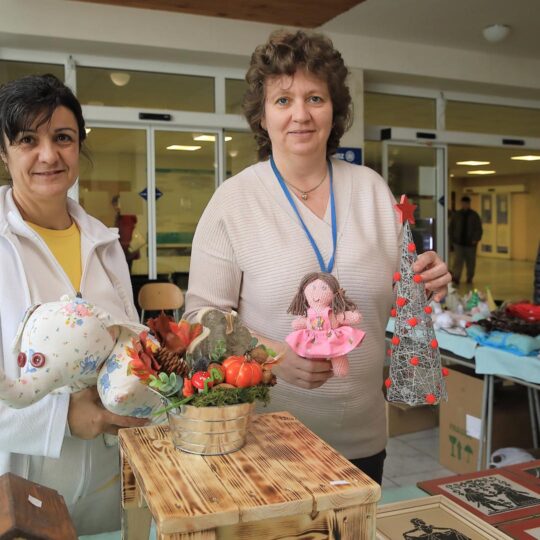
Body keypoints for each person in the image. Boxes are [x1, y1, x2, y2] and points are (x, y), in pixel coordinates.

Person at [184, 30, 451, 484]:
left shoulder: (371, 190)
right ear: (262, 115)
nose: (301, 115)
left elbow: (399, 295)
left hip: (362, 442)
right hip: (265, 441)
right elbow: (197, 322)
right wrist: (269, 355)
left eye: (315, 98)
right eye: (283, 101)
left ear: (335, 110)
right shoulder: (233, 202)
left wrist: (429, 281)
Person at [0, 74, 147, 535]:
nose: (49, 155)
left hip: (109, 480)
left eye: (62, 138)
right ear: (4, 153)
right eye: (28, 140)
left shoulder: (104, 244)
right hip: (24, 484)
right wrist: (61, 417)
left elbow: (128, 347)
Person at [449, 195, 483, 284]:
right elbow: (451, 228)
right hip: (458, 243)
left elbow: (478, 228)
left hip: (470, 244)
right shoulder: (457, 215)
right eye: (463, 203)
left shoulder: (474, 215)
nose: (465, 205)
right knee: (457, 261)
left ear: (469, 204)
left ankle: (470, 277)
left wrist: (476, 239)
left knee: (471, 262)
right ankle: (456, 277)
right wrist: (452, 241)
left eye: (466, 203)